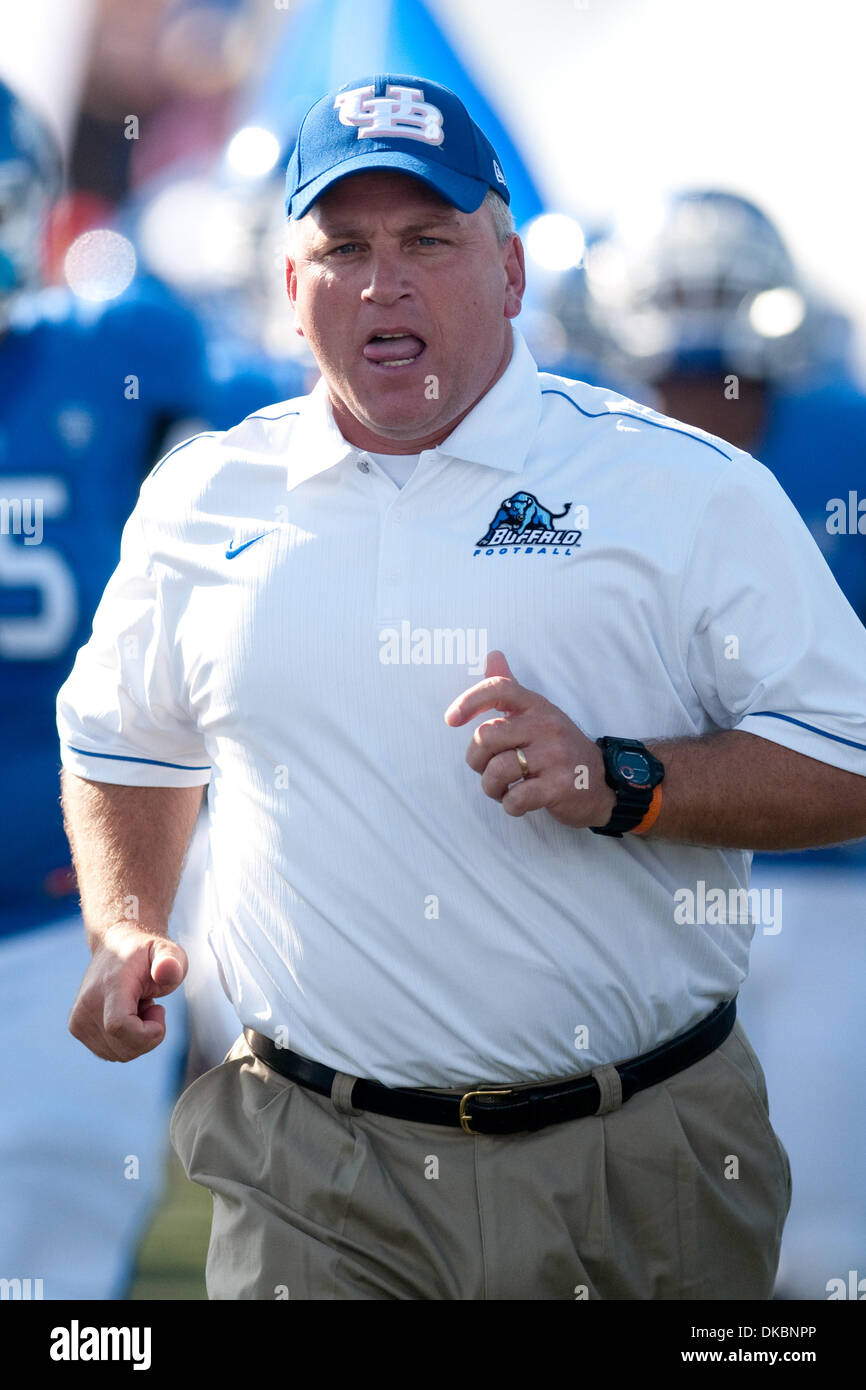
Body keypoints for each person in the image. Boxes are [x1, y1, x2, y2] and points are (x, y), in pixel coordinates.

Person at [56, 73, 866, 1301]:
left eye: (426, 240)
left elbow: (849, 756)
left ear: (510, 271)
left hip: (631, 1157)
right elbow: (125, 739)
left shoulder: (684, 488)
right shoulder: (202, 499)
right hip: (310, 1166)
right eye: (343, 246)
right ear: (289, 286)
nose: (382, 282)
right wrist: (124, 924)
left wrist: (623, 777)